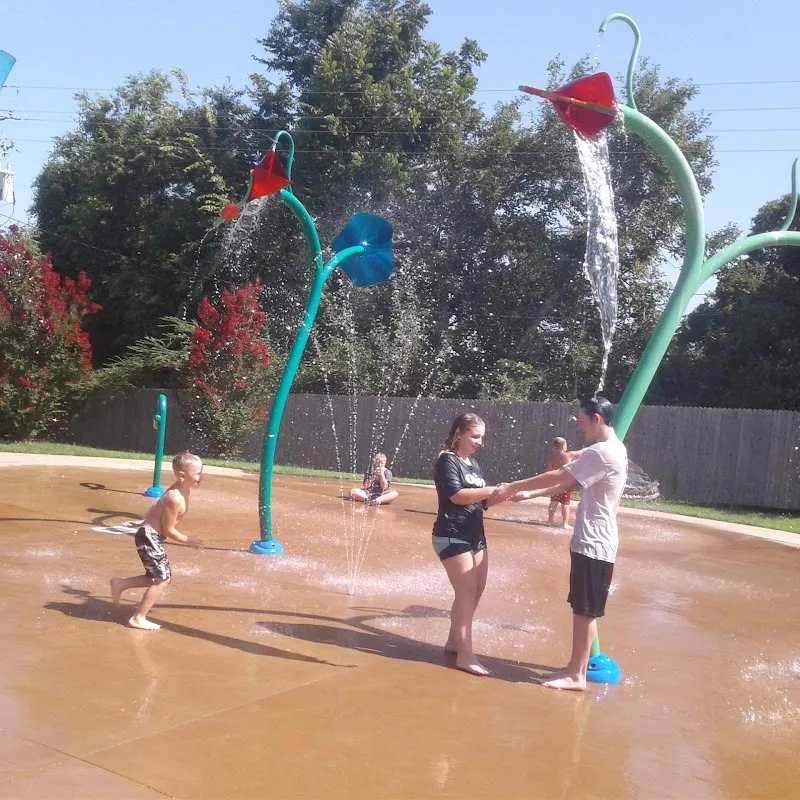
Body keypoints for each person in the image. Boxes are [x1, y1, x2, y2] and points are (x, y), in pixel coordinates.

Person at [498, 397, 627, 691]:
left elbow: (559, 475)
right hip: (597, 541)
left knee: (584, 612)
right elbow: (570, 481)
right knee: (584, 610)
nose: (580, 428)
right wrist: (530, 495)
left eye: (581, 422)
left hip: (594, 542)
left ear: (596, 418)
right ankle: (575, 668)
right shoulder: (615, 448)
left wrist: (514, 485)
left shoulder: (603, 452)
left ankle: (577, 676)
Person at [432, 412, 506, 677]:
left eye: (481, 437)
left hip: (475, 536)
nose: (479, 442)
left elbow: (481, 502)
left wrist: (504, 494)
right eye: (475, 436)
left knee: (476, 590)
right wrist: (491, 490)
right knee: (466, 592)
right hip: (452, 534)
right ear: (459, 433)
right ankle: (466, 656)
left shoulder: (473, 464)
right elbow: (457, 496)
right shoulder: (447, 460)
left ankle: (455, 642)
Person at [110, 452, 205, 630]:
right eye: (197, 473)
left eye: (202, 472)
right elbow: (168, 530)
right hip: (149, 538)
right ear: (181, 475)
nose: (201, 477)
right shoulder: (175, 497)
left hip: (150, 535)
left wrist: (143, 521)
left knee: (156, 577)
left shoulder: (182, 490)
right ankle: (138, 618)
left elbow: (157, 507)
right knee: (162, 579)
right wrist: (187, 540)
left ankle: (121, 583)